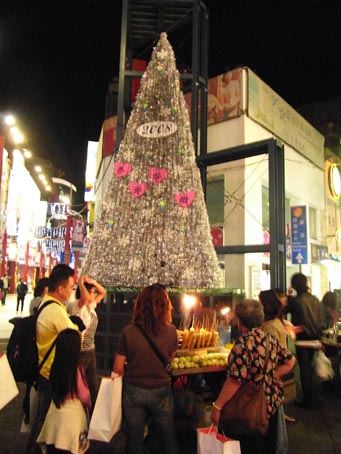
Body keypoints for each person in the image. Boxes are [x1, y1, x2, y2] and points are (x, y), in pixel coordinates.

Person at [211, 298, 295, 454]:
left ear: (240, 321)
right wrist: (272, 376)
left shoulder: (243, 344)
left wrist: (217, 406)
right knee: (268, 446)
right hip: (271, 405)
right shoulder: (268, 339)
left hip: (250, 409)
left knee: (250, 446)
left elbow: (235, 380)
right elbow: (290, 361)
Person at [112, 283, 179, 454]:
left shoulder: (128, 332)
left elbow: (118, 368)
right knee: (167, 438)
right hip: (161, 390)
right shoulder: (172, 332)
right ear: (165, 306)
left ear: (139, 305)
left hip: (133, 391)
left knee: (134, 440)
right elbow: (169, 358)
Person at [26, 264, 79, 454]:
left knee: (43, 417)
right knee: (44, 418)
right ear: (61, 288)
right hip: (50, 373)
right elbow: (74, 338)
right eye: (71, 287)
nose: (72, 290)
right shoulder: (56, 311)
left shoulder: (47, 304)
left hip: (44, 370)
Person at [37, 328, 91, 453]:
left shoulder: (55, 367)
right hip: (72, 421)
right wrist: (89, 405)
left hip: (54, 417)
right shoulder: (77, 370)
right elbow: (84, 395)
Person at [286, 272, 324, 409]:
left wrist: (288, 294)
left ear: (295, 285)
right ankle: (316, 398)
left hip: (302, 339)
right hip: (316, 338)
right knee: (314, 368)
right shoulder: (315, 299)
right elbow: (322, 319)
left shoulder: (295, 301)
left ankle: (307, 400)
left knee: (305, 370)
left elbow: (284, 310)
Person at [67, 275, 106, 406]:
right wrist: (80, 283)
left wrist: (93, 282)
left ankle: (91, 413)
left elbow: (103, 292)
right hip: (80, 352)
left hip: (90, 351)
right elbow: (83, 297)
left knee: (92, 385)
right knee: (79, 386)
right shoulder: (77, 307)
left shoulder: (91, 307)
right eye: (92, 292)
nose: (95, 294)